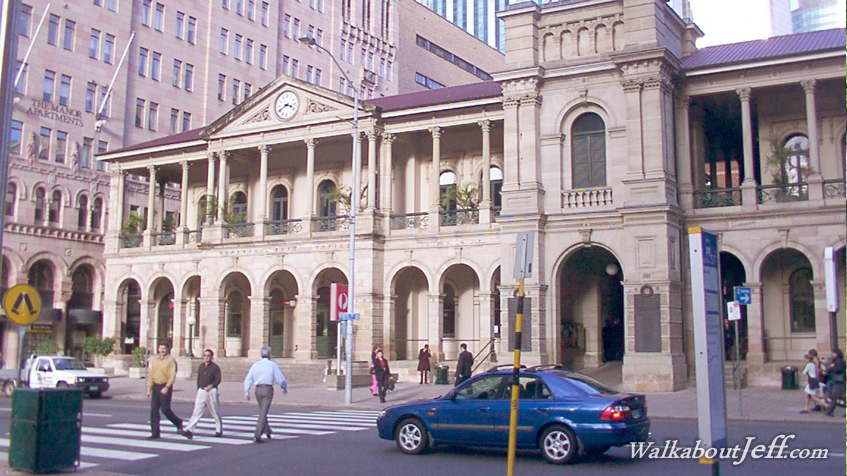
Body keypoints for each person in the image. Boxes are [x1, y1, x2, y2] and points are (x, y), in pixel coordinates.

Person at [244, 345, 287, 443]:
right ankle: (257, 435)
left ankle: (267, 430)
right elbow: (281, 379)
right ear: (269, 354)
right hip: (268, 389)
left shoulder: (255, 365)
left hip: (258, 389)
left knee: (263, 411)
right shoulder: (272, 365)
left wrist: (247, 392)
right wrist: (284, 388)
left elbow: (248, 379)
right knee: (263, 413)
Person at [181, 349, 223, 439]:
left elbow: (218, 379)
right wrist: (198, 387)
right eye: (204, 355)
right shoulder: (201, 366)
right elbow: (199, 378)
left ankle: (219, 429)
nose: (206, 357)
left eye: (208, 356)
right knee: (197, 411)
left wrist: (212, 386)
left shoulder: (215, 367)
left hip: (211, 390)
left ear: (211, 357)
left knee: (215, 411)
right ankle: (189, 430)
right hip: (202, 390)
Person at [146, 343, 185, 440]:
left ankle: (178, 422)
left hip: (165, 386)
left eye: (164, 348)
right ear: (158, 349)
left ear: (167, 349)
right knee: (154, 410)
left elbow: (172, 375)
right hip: (156, 386)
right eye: (160, 348)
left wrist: (167, 387)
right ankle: (155, 433)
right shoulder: (155, 361)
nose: (162, 350)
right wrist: (149, 389)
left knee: (165, 409)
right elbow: (151, 375)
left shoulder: (171, 360)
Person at [822, 348, 845, 416]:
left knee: (834, 397)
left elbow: (838, 369)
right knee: (838, 397)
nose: (833, 354)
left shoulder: (839, 361)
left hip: (839, 382)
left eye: (833, 353)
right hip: (838, 382)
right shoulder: (838, 361)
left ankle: (829, 411)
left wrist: (830, 368)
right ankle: (829, 411)